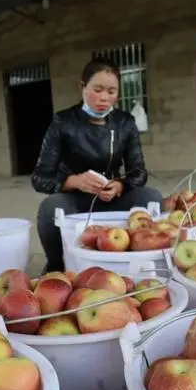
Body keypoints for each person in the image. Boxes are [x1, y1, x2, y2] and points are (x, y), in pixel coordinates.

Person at [32, 56, 163, 272]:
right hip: (75, 199)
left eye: (111, 92)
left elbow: (138, 171)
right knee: (50, 209)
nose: (104, 98)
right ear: (82, 87)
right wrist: (73, 181)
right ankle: (56, 266)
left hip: (112, 197)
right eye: (97, 89)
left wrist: (120, 185)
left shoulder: (125, 123)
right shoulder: (63, 122)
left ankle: (144, 258)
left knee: (151, 198)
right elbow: (40, 177)